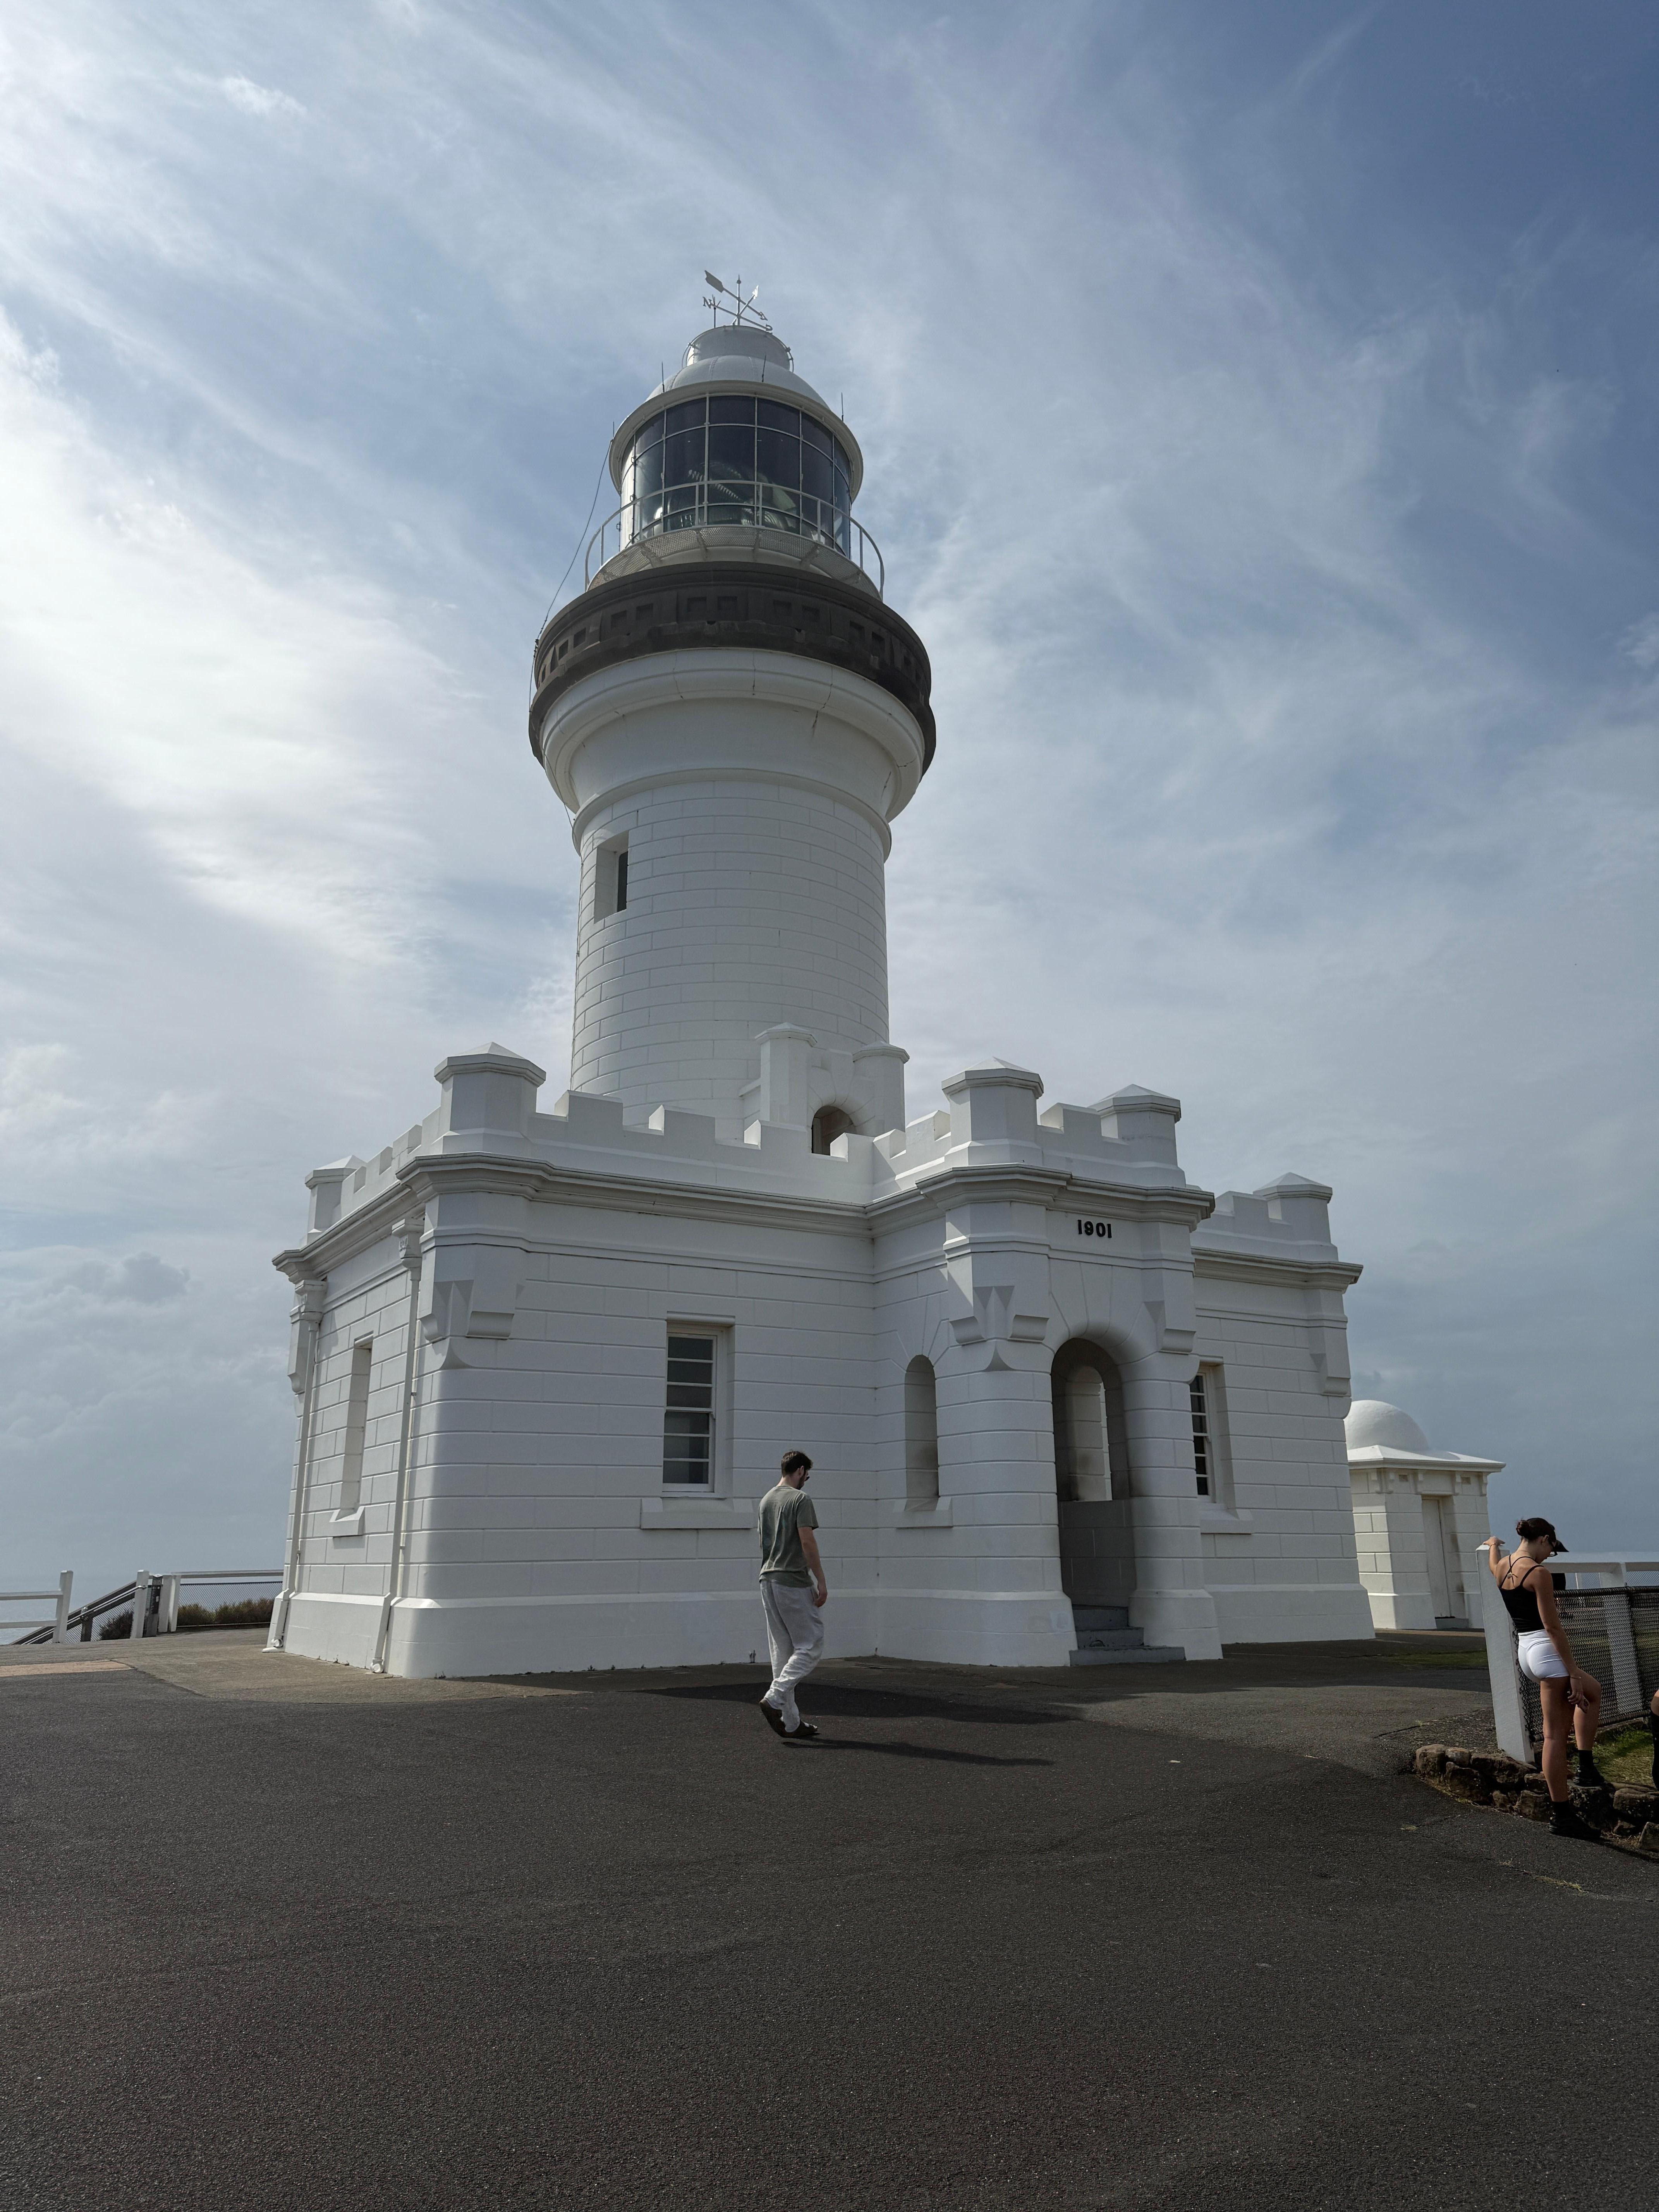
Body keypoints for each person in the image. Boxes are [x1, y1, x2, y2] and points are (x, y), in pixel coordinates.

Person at [1484, 1518, 1603, 1841]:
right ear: (1544, 1539)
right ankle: (1563, 1815)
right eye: (1551, 1548)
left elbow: (1493, 1562)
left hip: (1526, 1650)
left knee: (1593, 1692)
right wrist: (1573, 1673)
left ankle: (1587, 1767)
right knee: (1553, 1738)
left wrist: (1493, 1544)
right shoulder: (1538, 1573)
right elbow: (1553, 1627)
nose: (1550, 1554)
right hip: (1547, 1652)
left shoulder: (1503, 1567)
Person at [756, 1449, 826, 1742]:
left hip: (767, 1579)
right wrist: (821, 1580)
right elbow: (807, 1541)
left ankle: (791, 1722)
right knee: (811, 1644)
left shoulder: (766, 1500)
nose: (806, 1480)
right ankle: (774, 1698)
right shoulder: (800, 1499)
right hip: (792, 1580)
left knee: (782, 1652)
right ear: (799, 1471)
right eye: (806, 1475)